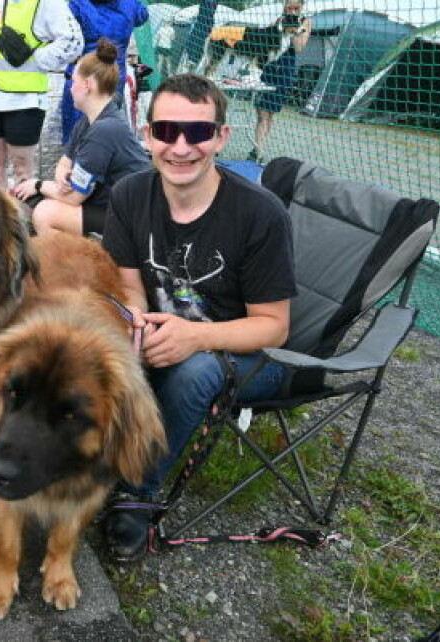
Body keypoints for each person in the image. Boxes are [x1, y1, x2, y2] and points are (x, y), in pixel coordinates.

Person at [99, 73, 297, 561]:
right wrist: (138, 324)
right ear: (147, 136)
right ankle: (83, 455)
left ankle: (136, 492)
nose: (181, 147)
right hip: (169, 332)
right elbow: (127, 288)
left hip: (250, 354)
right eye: (166, 131)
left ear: (221, 137)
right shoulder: (128, 195)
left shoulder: (261, 214)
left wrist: (196, 337)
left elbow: (274, 325)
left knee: (194, 370)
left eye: (198, 132)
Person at [11, 38, 148, 237]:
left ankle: (72, 264)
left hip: (130, 218)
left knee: (45, 213)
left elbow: (74, 198)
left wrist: (38, 185)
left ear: (87, 85)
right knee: (43, 202)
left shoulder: (104, 130)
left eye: (73, 81)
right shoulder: (89, 120)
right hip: (106, 206)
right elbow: (64, 162)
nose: (70, 87)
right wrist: (61, 177)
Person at [0, 0, 82, 193]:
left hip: (24, 98)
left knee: (22, 171)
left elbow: (73, 40)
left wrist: (39, 59)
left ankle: (22, 221)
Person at [61, 0, 147, 145]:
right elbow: (142, 16)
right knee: (106, 125)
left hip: (83, 74)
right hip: (112, 76)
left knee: (76, 127)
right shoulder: (130, 5)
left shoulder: (77, 5)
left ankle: (75, 160)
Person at [249, 0, 311, 162]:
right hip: (269, 66)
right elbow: (266, 41)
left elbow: (299, 47)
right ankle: (257, 149)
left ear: (302, 7)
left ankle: (259, 148)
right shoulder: (278, 19)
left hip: (285, 69)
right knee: (262, 111)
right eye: (288, 7)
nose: (291, 11)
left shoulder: (305, 21)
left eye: (296, 8)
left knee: (270, 112)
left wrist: (294, 27)